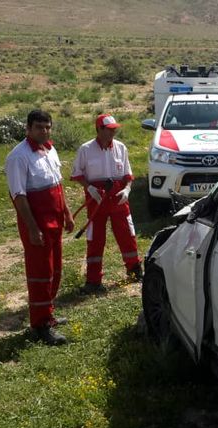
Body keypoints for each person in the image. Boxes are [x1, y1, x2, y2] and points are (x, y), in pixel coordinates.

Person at [5, 110, 74, 345]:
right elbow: (19, 196)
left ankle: (49, 314)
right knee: (40, 274)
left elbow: (58, 184)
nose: (44, 131)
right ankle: (40, 325)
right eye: (38, 127)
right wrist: (33, 229)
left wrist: (67, 214)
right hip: (38, 225)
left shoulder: (50, 150)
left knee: (54, 271)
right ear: (28, 129)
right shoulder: (19, 157)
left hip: (55, 221)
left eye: (47, 127)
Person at [71, 114, 141, 294]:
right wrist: (90, 189)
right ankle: (93, 281)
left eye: (114, 130)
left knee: (127, 233)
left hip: (117, 197)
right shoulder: (85, 150)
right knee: (95, 238)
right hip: (97, 199)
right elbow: (78, 174)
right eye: (109, 130)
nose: (113, 133)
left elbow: (128, 175)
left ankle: (134, 271)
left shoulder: (121, 148)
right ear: (99, 129)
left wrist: (127, 190)